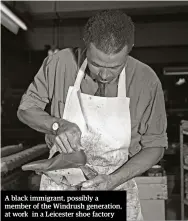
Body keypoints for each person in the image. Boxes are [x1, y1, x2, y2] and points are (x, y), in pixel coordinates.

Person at [17, 10, 168, 220]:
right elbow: (26, 109)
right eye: (96, 65)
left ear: (129, 50)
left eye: (115, 66)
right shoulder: (60, 63)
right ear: (86, 45)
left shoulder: (146, 81)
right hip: (61, 187)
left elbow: (156, 146)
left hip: (116, 186)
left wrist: (112, 181)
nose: (105, 75)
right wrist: (56, 125)